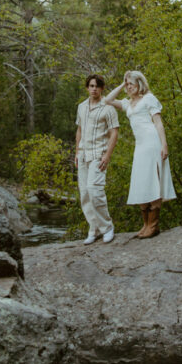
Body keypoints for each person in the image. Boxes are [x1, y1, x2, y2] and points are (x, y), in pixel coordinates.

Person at [103, 70, 175, 238]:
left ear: (139, 83)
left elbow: (158, 123)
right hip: (140, 146)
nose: (129, 87)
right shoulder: (127, 103)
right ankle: (146, 225)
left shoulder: (149, 99)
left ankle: (153, 225)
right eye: (127, 84)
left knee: (153, 180)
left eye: (131, 83)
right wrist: (122, 82)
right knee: (141, 181)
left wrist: (164, 144)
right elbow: (108, 100)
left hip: (152, 143)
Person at [74, 74, 120, 245]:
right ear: (87, 87)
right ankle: (93, 229)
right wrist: (77, 152)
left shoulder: (108, 109)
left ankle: (107, 228)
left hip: (99, 155)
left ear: (102, 89)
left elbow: (114, 133)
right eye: (91, 86)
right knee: (85, 194)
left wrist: (107, 156)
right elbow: (79, 130)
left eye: (97, 86)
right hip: (83, 154)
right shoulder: (81, 107)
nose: (94, 89)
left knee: (95, 190)